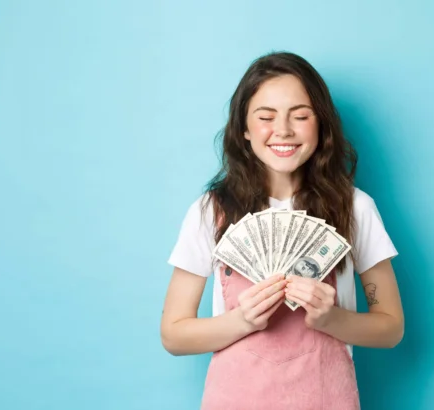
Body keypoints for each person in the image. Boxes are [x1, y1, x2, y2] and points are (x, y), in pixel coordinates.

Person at [160, 51, 404, 409]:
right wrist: (242, 321)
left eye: (301, 116)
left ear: (321, 125)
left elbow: (391, 328)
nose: (284, 130)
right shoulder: (211, 211)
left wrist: (331, 318)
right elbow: (173, 334)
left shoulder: (355, 208)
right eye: (266, 117)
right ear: (243, 128)